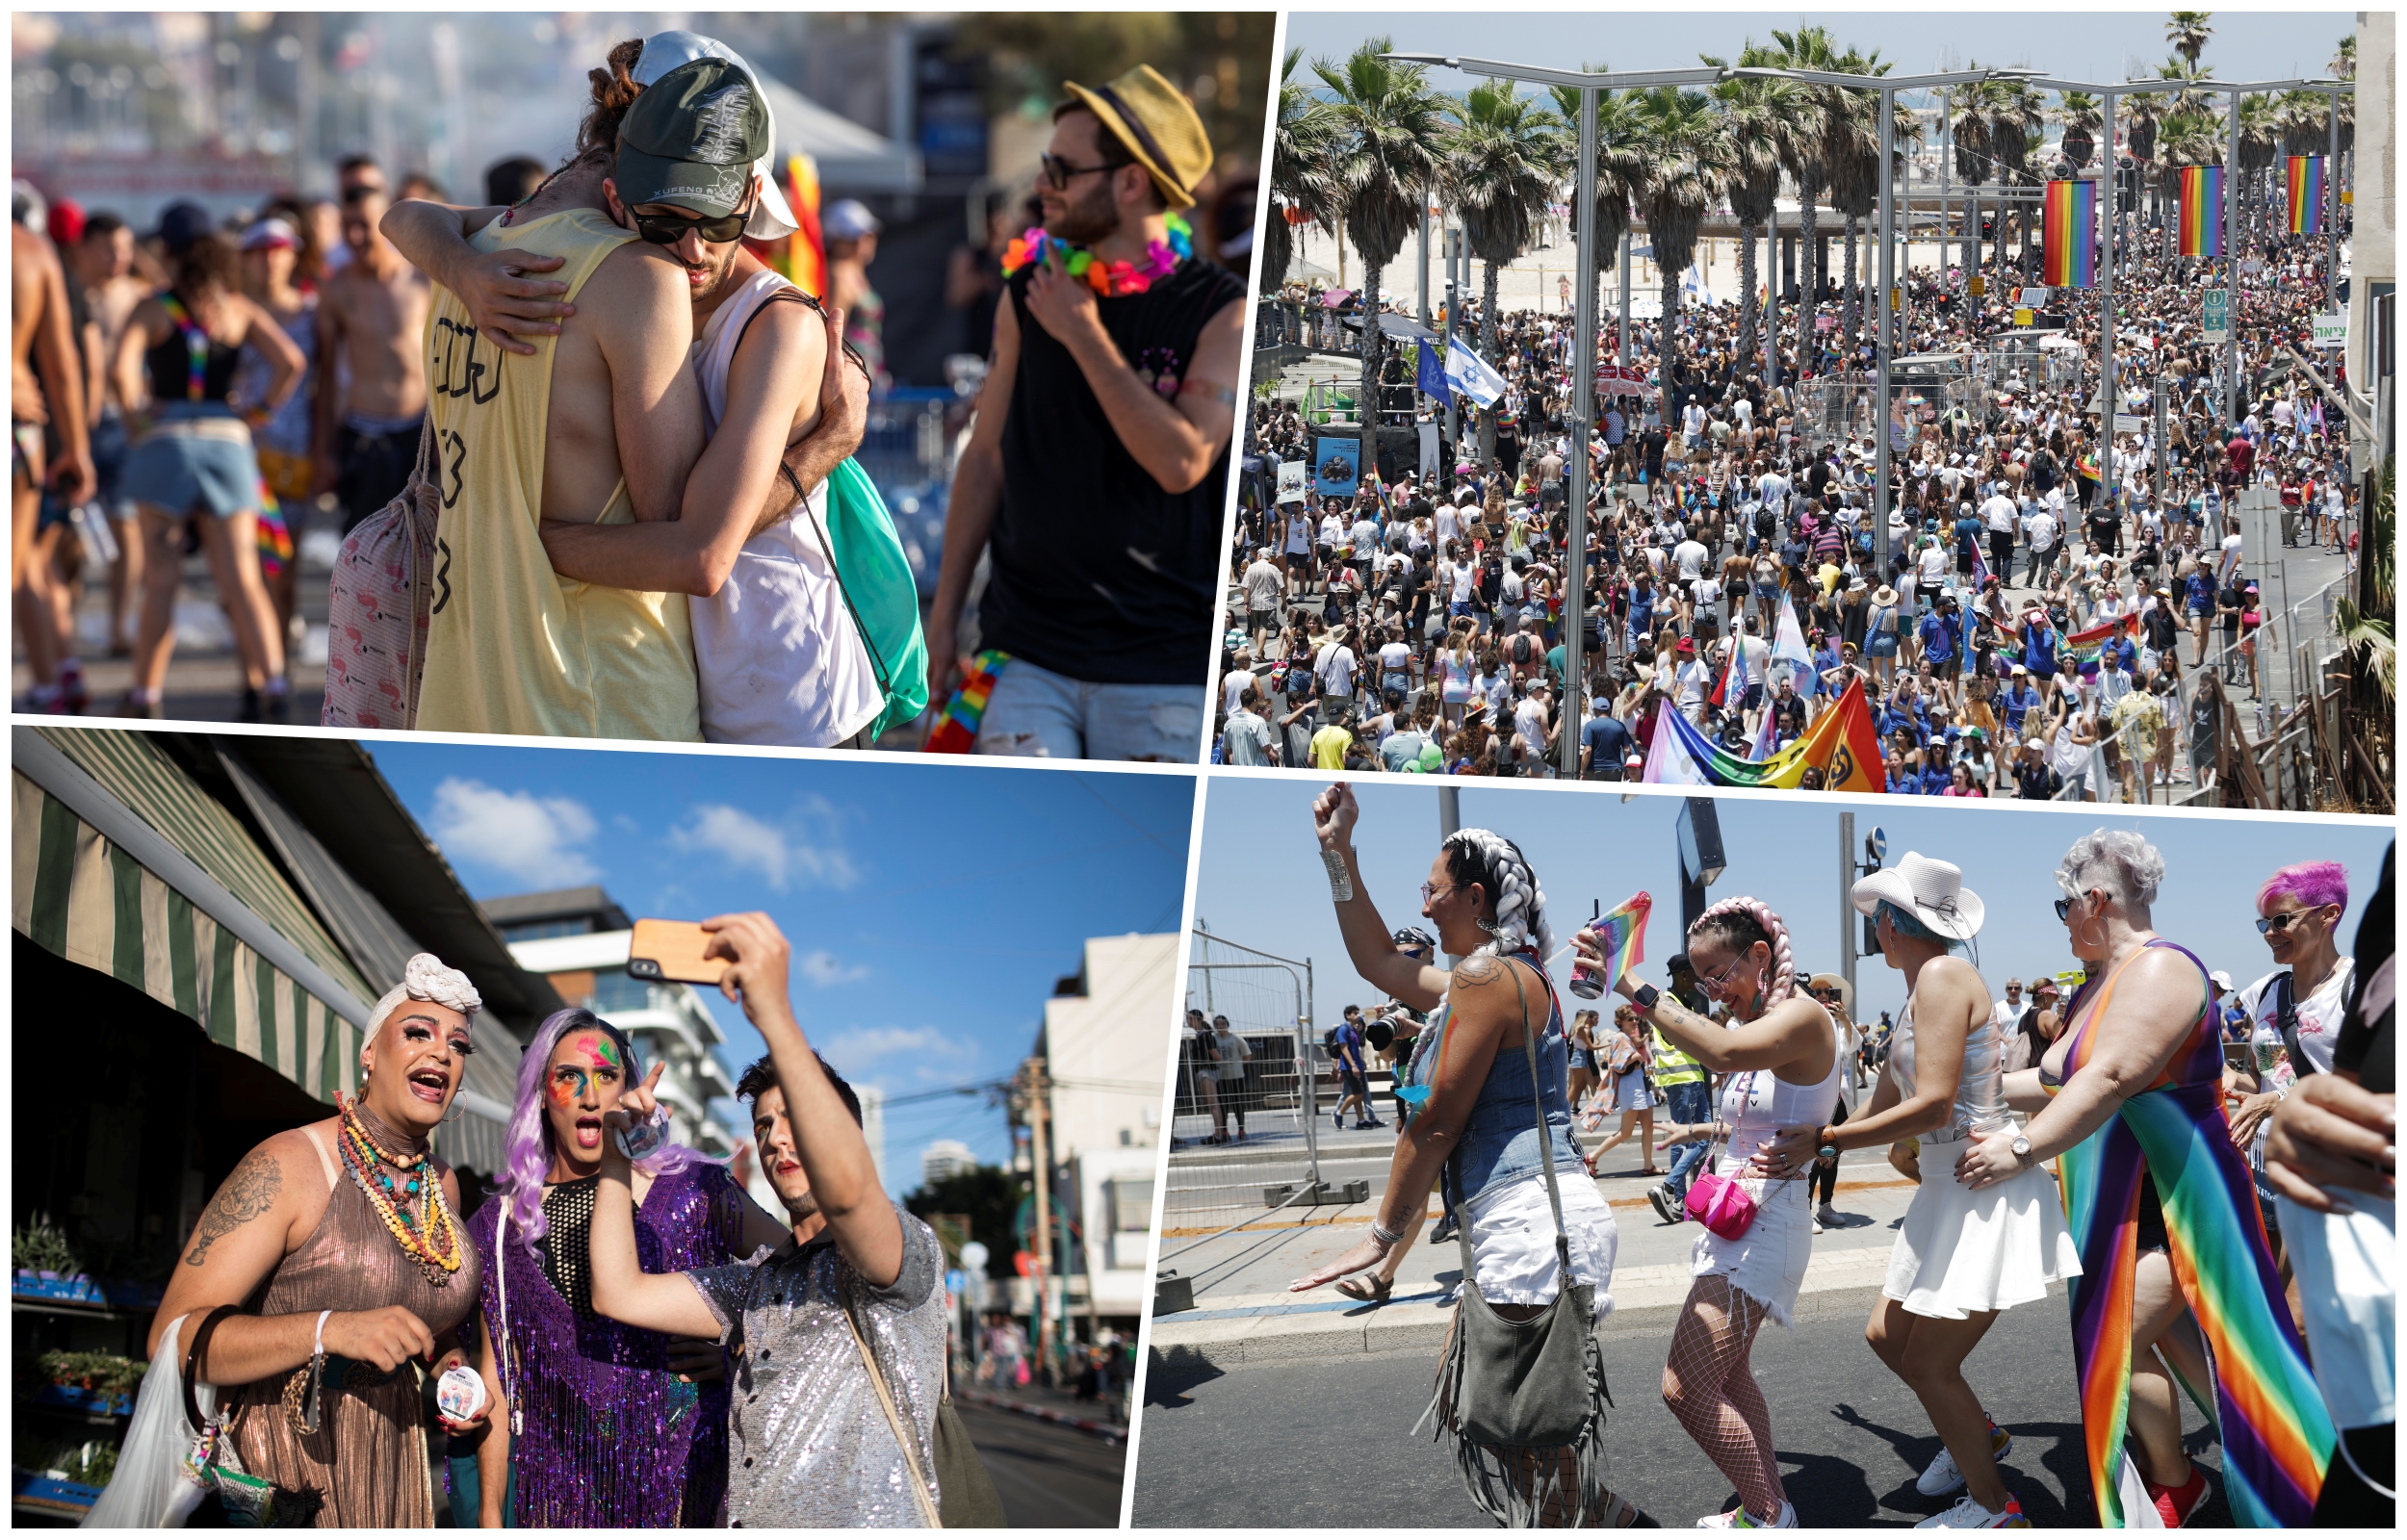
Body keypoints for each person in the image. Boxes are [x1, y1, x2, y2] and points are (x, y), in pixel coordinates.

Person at [387, 36, 885, 747]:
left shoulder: (774, 325)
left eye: (716, 223)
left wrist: (520, 544)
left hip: (789, 698)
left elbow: (697, 551)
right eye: (665, 223)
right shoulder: (609, 276)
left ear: (744, 193)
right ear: (623, 189)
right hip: (694, 684)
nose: (693, 251)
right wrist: (464, 272)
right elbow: (411, 217)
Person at [1291, 785, 1644, 1527]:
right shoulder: (1491, 978)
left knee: (1525, 1433)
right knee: (1498, 1420)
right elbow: (1379, 959)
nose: (1423, 906)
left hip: (1529, 1220)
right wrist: (1337, 856)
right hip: (1522, 1219)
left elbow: (1436, 1127)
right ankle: (1605, 1521)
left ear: (1475, 896)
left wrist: (1382, 1235)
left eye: (1432, 891)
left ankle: (1596, 1523)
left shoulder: (1490, 980)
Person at [1957, 830, 2334, 1527]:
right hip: (2119, 1210)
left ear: (2094, 900)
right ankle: (2249, 1464)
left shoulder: (2164, 971)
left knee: (2126, 1339)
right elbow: (2054, 1080)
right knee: (2201, 1354)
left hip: (2177, 1206)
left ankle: (2197, 1480)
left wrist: (2019, 1148)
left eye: (2062, 906)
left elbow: (2110, 1077)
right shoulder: (2096, 987)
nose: (2063, 920)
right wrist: (1964, 1096)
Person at [586, 911, 952, 1527]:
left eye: (795, 1121)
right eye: (764, 1126)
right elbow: (617, 1292)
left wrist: (773, 1014)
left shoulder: (899, 1253)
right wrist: (617, 1157)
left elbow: (850, 1199)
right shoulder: (756, 1284)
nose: (779, 1140)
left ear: (845, 1136)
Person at [931, 64, 1243, 759]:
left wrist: (1085, 334)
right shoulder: (1029, 287)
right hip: (1024, 653)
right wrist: (944, 616)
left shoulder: (1221, 311)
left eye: (1061, 168)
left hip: (1161, 668)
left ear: (1130, 183)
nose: (1041, 183)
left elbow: (1182, 460)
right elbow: (986, 457)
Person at [1766, 856, 2076, 1529]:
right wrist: (1807, 1133)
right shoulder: (1916, 992)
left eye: (1877, 916)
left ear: (1891, 923)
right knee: (1888, 1335)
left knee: (1932, 1364)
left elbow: (1933, 1106)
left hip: (1979, 1185)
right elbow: (1877, 1108)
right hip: (1945, 1189)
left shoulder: (1941, 976)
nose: (1872, 927)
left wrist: (1826, 1143)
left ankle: (1998, 1508)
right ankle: (1980, 1437)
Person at [145, 956, 491, 1527]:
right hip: (287, 1471)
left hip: (396, 1471)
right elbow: (169, 1340)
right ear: (369, 1053)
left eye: (458, 1045)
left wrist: (451, 1366)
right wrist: (331, 1329)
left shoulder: (443, 1185)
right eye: (416, 1033)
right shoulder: (289, 1164)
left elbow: (430, 1322)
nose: (441, 1053)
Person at [462, 1010, 788, 1527]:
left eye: (606, 1076)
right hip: (559, 1504)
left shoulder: (697, 1190)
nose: (590, 1096)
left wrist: (737, 1355)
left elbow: (802, 1275)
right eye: (569, 1076)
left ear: (629, 1092)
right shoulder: (498, 1229)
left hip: (687, 1494)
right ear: (542, 1095)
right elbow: (499, 1380)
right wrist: (487, 1517)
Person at [1580, 894, 1842, 1529]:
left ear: (1760, 956)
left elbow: (1720, 1055)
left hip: (1766, 1230)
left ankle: (1766, 1513)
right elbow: (1764, 1117)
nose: (1713, 992)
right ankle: (1772, 1507)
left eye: (1720, 975)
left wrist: (1624, 978)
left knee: (1685, 1388)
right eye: (1702, 982)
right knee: (1731, 1374)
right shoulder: (1758, 1024)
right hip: (1740, 1221)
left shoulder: (1803, 1018)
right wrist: (1699, 1131)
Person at [113, 230, 303, 722]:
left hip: (166, 442)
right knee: (242, 577)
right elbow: (291, 362)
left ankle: (145, 695)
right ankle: (274, 688)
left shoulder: (152, 307)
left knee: (161, 580)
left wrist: (138, 421)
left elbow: (119, 369)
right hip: (226, 440)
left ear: (173, 256)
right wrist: (258, 414)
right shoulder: (236, 309)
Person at [2262, 843, 2393, 1527]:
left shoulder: (2353, 984)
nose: (2272, 934)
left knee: (2309, 1319)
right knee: (2292, 1319)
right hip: (2294, 1180)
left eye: (2281, 921)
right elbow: (2271, 1078)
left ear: (2327, 916)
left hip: (2361, 1188)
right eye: (2265, 926)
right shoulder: (2272, 993)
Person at [312, 174, 430, 531]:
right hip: (365, 432)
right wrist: (324, 452)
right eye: (347, 227)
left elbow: (445, 361)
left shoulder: (422, 278)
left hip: (419, 432)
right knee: (364, 545)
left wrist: (443, 431)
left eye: (364, 226)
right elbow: (327, 374)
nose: (354, 238)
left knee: (426, 548)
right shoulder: (336, 289)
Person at [12, 210, 93, 713]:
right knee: (19, 568)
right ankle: (49, 688)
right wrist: (76, 447)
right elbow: (63, 360)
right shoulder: (33, 249)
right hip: (26, 428)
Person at [1585, 1005, 1661, 1177]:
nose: (1635, 1021)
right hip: (1630, 1086)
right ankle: (1592, 1156)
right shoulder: (1619, 1037)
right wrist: (1635, 1057)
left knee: (1648, 1126)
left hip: (1638, 1083)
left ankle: (1648, 1166)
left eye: (1636, 1018)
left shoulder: (1627, 1037)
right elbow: (1616, 1064)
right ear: (1620, 1022)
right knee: (1626, 1132)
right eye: (1630, 1019)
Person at [823, 199, 887, 391]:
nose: (862, 243)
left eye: (868, 235)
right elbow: (832, 332)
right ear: (835, 240)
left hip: (867, 373)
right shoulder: (839, 274)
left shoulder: (855, 272)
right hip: (851, 377)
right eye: (853, 238)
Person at [1212, 1013, 1255, 1140]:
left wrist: (1238, 1065)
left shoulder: (1237, 1039)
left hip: (1237, 1076)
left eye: (1223, 1024)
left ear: (1227, 1025)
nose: (1220, 1026)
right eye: (1217, 1024)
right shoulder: (1213, 1039)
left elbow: (1247, 1056)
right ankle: (1224, 1131)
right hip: (1220, 1078)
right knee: (1223, 1105)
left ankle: (1241, 1129)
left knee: (1238, 1104)